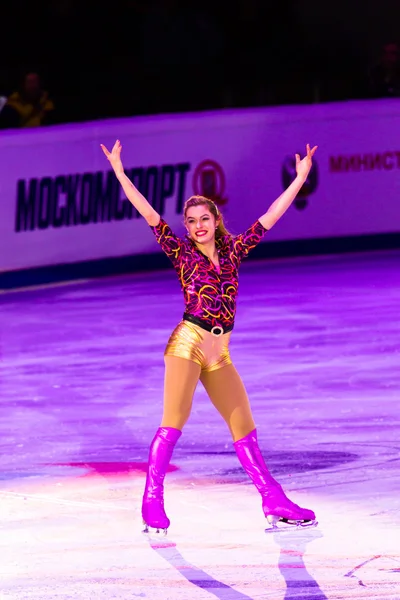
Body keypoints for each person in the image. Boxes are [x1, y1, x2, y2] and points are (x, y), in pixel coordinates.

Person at [101, 139, 318, 533]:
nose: (199, 226)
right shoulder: (182, 253)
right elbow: (148, 212)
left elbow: (271, 214)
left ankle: (273, 498)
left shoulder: (234, 251)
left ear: (216, 220)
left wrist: (300, 178)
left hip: (221, 353)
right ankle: (152, 501)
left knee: (244, 427)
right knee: (174, 421)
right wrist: (119, 172)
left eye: (205, 218)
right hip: (188, 344)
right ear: (187, 228)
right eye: (192, 221)